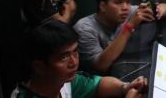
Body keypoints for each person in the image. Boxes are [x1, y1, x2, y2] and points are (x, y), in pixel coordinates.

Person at [13, 20, 147, 98]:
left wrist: (125, 87)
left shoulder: (62, 81)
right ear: (39, 67)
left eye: (75, 52)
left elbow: (98, 84)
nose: (74, 62)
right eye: (64, 57)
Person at [74, 0, 166, 74]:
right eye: (119, 2)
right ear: (102, 6)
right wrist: (129, 26)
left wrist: (160, 9)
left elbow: (165, 7)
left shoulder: (128, 12)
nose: (125, 7)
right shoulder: (84, 28)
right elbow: (100, 66)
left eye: (128, 2)